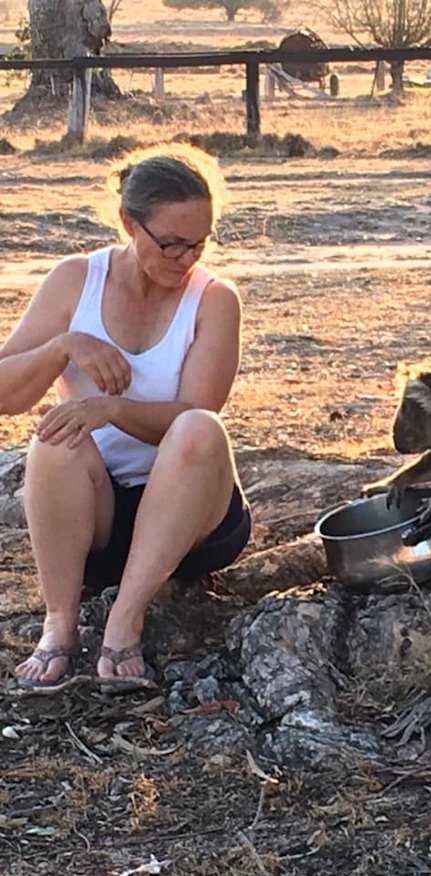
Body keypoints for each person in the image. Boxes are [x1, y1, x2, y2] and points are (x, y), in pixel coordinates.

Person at [0, 142, 251, 691]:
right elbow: (5, 393)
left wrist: (111, 408)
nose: (185, 259)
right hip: (98, 521)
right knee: (53, 436)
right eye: (171, 244)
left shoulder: (215, 299)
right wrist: (61, 348)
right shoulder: (75, 280)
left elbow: (195, 411)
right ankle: (60, 623)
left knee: (198, 427)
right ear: (127, 224)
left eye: (198, 243)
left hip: (194, 519)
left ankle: (125, 619)